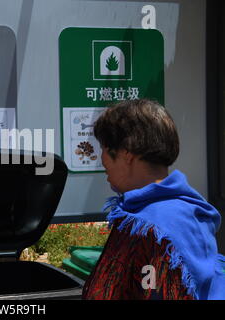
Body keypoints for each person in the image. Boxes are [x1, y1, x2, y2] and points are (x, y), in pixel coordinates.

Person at [82, 99, 225, 300]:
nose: (102, 158)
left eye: (104, 147)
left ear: (126, 153)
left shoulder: (158, 224)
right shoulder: (158, 211)